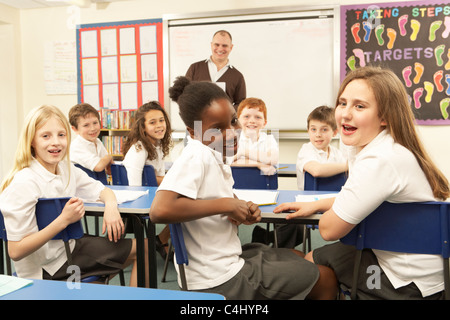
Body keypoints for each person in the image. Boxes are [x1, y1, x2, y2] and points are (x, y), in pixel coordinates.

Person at [149, 76, 337, 300]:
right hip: (219, 279)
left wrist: (241, 207)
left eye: (233, 121)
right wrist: (227, 204)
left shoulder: (213, 156)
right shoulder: (197, 155)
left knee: (297, 254)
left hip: (223, 261)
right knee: (325, 278)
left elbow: (214, 200)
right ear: (193, 133)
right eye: (217, 129)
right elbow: (159, 210)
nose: (231, 132)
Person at [274, 66, 450, 300]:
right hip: (427, 271)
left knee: (312, 260)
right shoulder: (393, 148)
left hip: (404, 281)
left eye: (359, 106)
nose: (345, 114)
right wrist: (317, 204)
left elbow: (328, 230)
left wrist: (327, 211)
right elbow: (370, 198)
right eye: (342, 102)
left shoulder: (378, 160)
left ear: (385, 116)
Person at [0, 105, 147, 286]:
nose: (56, 142)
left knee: (144, 247)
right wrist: (63, 220)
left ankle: (88, 283)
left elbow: (101, 190)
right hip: (46, 269)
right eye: (46, 136)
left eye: (61, 135)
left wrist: (110, 206)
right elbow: (15, 250)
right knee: (142, 250)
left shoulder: (66, 168)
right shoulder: (23, 182)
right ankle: (84, 284)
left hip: (70, 247)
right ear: (32, 141)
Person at [122, 101, 173, 259]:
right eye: (152, 122)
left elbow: (159, 178)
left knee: (188, 202)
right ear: (142, 127)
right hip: (139, 201)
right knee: (185, 207)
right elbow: (134, 185)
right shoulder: (139, 149)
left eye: (161, 120)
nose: (159, 125)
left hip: (152, 196)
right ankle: (161, 241)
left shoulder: (156, 146)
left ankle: (161, 240)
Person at [185, 30, 246, 108]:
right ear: (211, 45)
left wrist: (227, 113)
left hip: (224, 120)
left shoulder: (238, 76)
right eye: (216, 44)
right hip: (197, 120)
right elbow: (183, 96)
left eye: (224, 45)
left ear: (231, 47)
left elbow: (241, 105)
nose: (220, 49)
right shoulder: (195, 68)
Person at [296, 105, 348, 190]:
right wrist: (348, 166)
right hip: (308, 199)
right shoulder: (306, 150)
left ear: (334, 132)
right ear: (308, 131)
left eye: (324, 130)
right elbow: (316, 171)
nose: (318, 135)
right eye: (313, 129)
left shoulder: (337, 153)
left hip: (332, 198)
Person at [232, 97, 278, 174]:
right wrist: (258, 164)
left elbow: (273, 159)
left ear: (264, 123)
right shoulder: (233, 138)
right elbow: (227, 161)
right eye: (246, 116)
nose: (252, 121)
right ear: (238, 121)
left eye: (258, 117)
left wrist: (242, 153)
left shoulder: (269, 139)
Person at [68, 103, 113, 175]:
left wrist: (108, 163)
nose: (93, 128)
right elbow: (99, 166)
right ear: (75, 129)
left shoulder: (97, 142)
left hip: (98, 183)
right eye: (86, 125)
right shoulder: (76, 147)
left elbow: (108, 169)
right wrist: (109, 157)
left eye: (95, 123)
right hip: (82, 185)